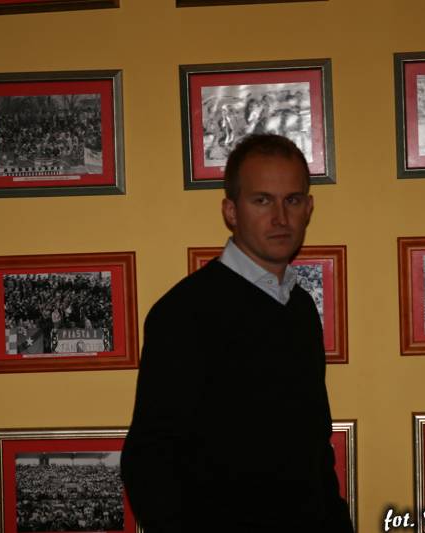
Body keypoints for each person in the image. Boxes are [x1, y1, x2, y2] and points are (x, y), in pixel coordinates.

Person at [120, 134, 353, 533]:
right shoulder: (184, 312)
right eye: (262, 200)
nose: (280, 217)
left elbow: (313, 449)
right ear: (231, 211)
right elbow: (149, 460)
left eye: (292, 200)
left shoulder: (300, 308)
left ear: (309, 208)